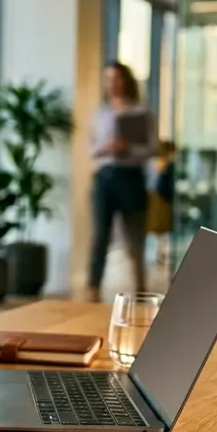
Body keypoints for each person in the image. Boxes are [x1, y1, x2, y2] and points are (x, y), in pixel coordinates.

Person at [86, 61, 156, 303]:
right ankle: (92, 290)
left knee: (135, 237)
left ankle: (141, 290)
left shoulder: (142, 114)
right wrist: (108, 147)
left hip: (131, 178)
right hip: (105, 178)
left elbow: (152, 149)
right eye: (108, 79)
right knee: (100, 236)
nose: (112, 83)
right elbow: (91, 150)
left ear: (126, 80)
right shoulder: (101, 114)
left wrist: (129, 149)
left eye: (116, 78)